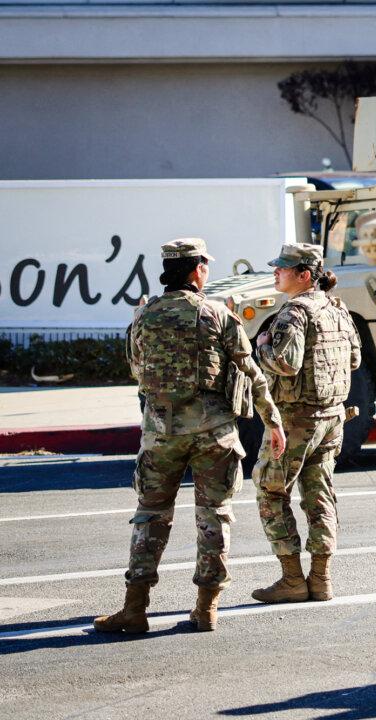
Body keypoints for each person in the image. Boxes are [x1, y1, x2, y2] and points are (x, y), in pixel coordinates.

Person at [94, 237, 286, 634]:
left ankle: (135, 608)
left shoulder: (143, 316)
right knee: (214, 516)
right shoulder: (217, 314)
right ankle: (205, 608)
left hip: (161, 432)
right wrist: (273, 421)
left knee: (150, 516)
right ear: (198, 269)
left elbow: (136, 369)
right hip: (214, 433)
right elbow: (251, 373)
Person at [251, 243, 360, 604]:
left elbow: (285, 364)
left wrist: (263, 345)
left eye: (283, 269)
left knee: (270, 489)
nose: (276, 273)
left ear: (305, 275)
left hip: (297, 418)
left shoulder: (293, 313)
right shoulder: (337, 309)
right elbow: (355, 360)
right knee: (320, 493)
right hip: (332, 416)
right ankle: (321, 578)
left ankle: (292, 579)